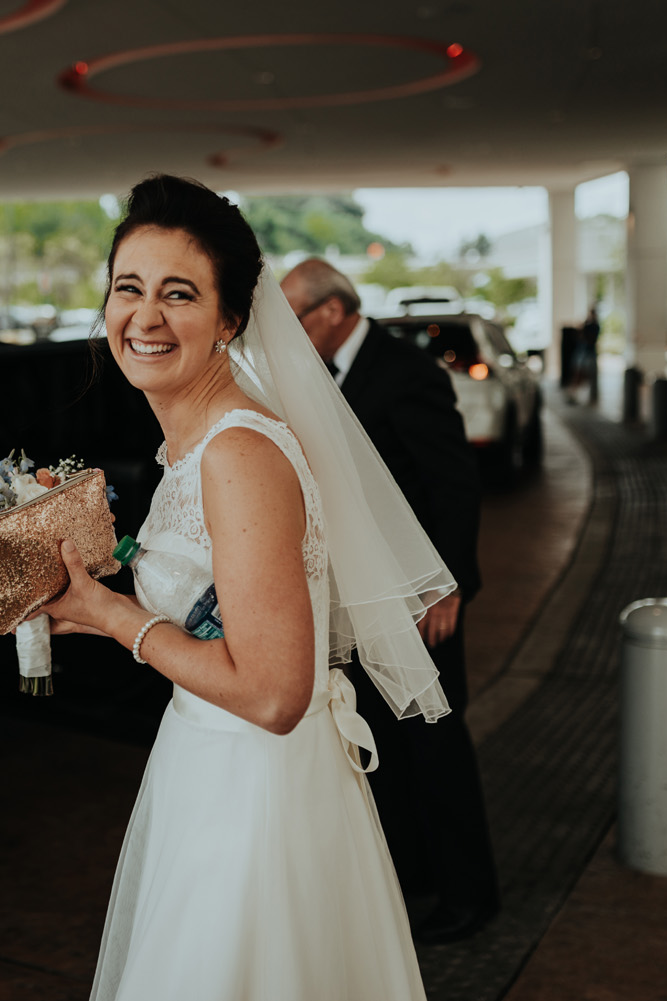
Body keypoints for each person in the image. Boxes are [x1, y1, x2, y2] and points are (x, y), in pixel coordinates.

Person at [40, 175, 455, 999]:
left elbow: (274, 693)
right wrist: (84, 568)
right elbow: (214, 592)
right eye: (129, 288)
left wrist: (119, 618)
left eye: (179, 294)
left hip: (255, 796)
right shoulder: (197, 442)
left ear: (232, 319)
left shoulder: (237, 454)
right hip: (210, 766)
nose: (145, 317)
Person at [280, 258, 499, 944]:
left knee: (437, 747)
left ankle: (470, 897)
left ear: (333, 311)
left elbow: (455, 483)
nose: (285, 332)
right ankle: (414, 880)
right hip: (363, 601)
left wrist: (448, 583)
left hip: (419, 601)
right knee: (391, 751)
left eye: (293, 318)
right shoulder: (321, 376)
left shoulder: (405, 372)